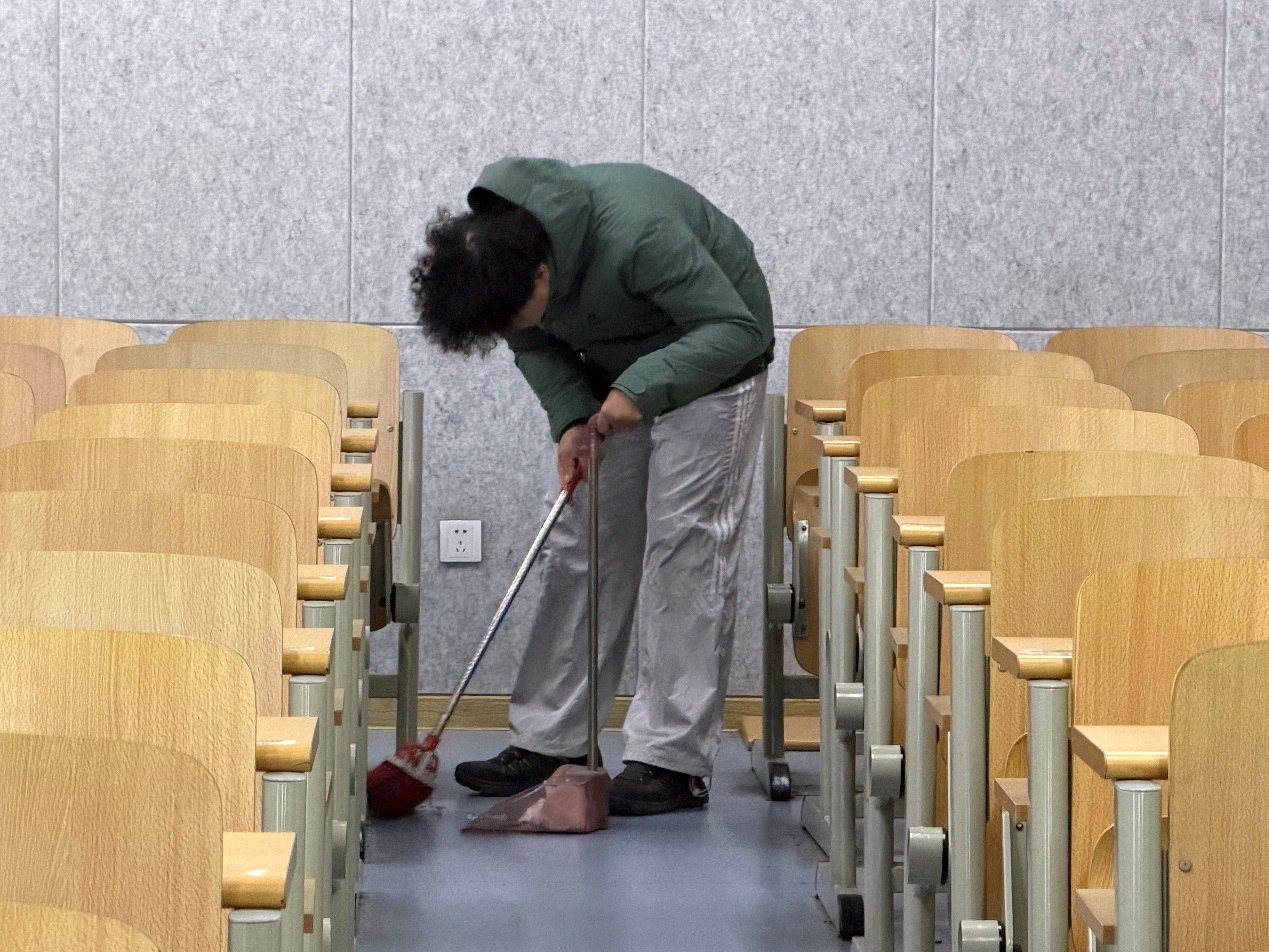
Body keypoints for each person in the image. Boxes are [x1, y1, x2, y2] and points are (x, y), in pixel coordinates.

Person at [411, 158, 774, 815]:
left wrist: (641, 387)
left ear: (543, 273)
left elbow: (735, 328)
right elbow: (536, 345)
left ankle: (671, 761)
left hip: (717, 362)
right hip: (619, 373)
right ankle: (555, 740)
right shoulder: (505, 273)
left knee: (683, 550)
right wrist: (573, 418)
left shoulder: (638, 233)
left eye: (512, 317)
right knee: (581, 542)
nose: (511, 331)